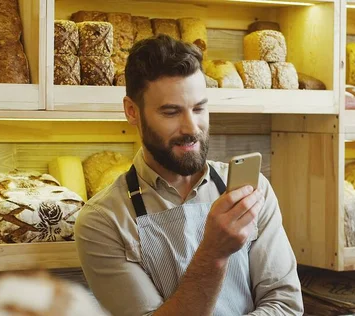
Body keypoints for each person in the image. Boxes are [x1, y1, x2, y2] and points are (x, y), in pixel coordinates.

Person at [75, 34, 304, 316]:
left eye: (199, 108)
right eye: (171, 112)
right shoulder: (102, 221)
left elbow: (285, 306)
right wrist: (214, 253)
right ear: (132, 112)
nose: (191, 127)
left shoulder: (253, 191)